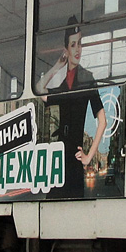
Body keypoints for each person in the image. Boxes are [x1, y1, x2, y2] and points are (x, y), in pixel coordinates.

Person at [37, 19, 107, 199]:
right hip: (59, 158)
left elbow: (103, 121)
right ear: (66, 50)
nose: (78, 49)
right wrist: (57, 66)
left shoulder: (87, 78)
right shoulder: (62, 85)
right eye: (73, 44)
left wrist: (88, 157)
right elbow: (39, 89)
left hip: (75, 159)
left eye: (80, 43)